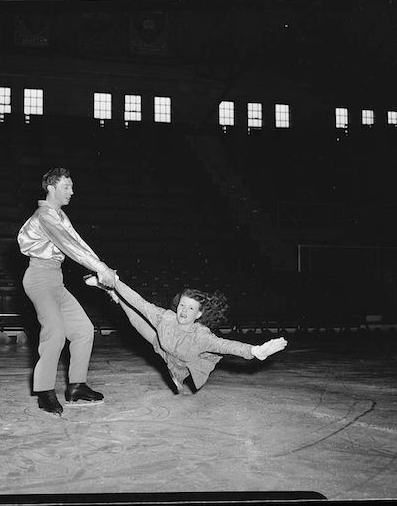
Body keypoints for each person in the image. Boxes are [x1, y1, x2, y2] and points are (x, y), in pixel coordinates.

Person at [17, 167, 118, 416]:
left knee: (83, 330)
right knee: (56, 331)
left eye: (72, 187)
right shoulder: (45, 215)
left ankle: (76, 386)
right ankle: (44, 391)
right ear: (51, 188)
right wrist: (100, 268)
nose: (72, 192)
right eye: (66, 187)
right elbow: (70, 247)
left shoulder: (59, 215)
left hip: (56, 279)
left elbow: (79, 243)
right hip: (39, 278)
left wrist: (102, 272)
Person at [84, 274, 287, 394]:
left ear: (198, 314)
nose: (183, 311)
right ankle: (110, 291)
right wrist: (114, 280)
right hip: (161, 344)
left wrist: (255, 351)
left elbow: (226, 345)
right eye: (182, 305)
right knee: (136, 319)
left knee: (178, 369)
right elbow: (139, 302)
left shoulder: (202, 336)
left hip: (182, 361)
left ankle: (113, 292)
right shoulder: (166, 317)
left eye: (190, 309)